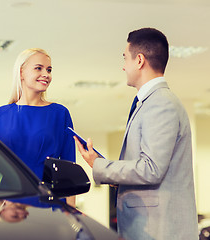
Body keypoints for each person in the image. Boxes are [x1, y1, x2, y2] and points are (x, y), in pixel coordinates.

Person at [74, 28, 198, 239]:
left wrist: (99, 164)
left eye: (125, 58)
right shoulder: (152, 102)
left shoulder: (161, 103)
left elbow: (151, 169)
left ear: (139, 60)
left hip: (159, 230)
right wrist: (117, 178)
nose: (123, 66)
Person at [0, 48, 76, 206]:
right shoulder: (1, 115)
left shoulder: (59, 113)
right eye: (39, 68)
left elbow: (69, 169)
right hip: (9, 202)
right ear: (21, 72)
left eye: (49, 70)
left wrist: (71, 214)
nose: (46, 74)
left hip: (48, 202)